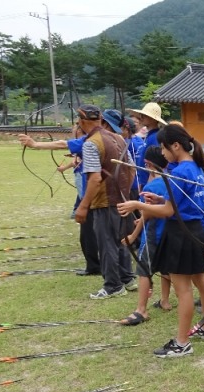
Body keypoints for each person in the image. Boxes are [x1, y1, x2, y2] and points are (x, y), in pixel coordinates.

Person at [118, 124, 204, 357]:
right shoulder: (193, 167)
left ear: (175, 146)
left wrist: (138, 204)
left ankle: (182, 343)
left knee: (184, 290)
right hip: (194, 231)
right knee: (202, 281)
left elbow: (169, 212)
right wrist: (160, 197)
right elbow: (181, 199)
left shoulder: (181, 170)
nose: (162, 153)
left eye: (163, 147)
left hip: (182, 233)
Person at [18, 126, 99, 276]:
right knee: (91, 232)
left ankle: (96, 266)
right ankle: (95, 265)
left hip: (94, 194)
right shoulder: (101, 137)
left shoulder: (90, 139)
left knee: (90, 232)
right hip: (98, 194)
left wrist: (35, 144)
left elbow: (62, 144)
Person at [76, 106, 136, 299]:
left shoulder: (91, 143)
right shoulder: (118, 138)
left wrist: (83, 206)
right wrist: (124, 191)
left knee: (107, 242)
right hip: (122, 198)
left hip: (104, 201)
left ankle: (113, 285)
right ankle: (127, 277)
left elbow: (94, 179)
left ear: (83, 121)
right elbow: (132, 169)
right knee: (121, 240)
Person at [117, 145, 170, 325]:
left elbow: (146, 214)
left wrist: (133, 235)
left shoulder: (152, 185)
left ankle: (141, 310)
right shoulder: (171, 179)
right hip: (169, 233)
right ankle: (165, 300)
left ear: (148, 164)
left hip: (154, 233)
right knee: (166, 269)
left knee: (144, 270)